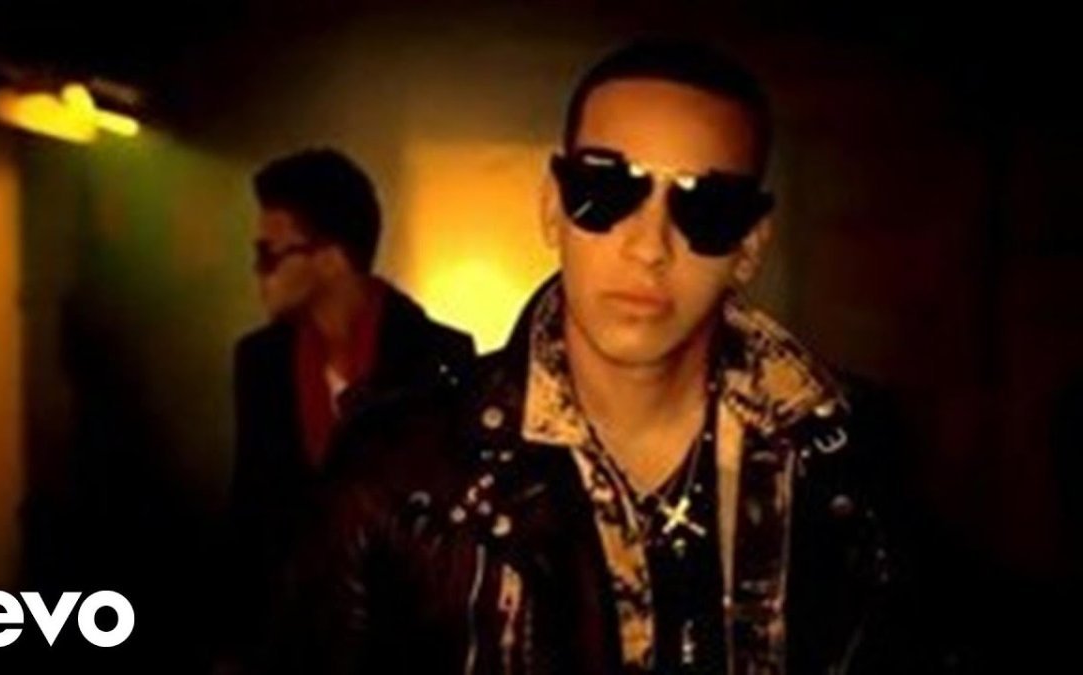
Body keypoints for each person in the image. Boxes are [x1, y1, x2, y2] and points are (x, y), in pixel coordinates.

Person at [298, 41, 919, 674]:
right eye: (606, 188)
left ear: (750, 246)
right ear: (552, 208)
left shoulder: (857, 462)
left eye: (706, 207)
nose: (649, 247)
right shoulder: (394, 477)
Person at [220, 148, 474, 671]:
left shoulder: (439, 358)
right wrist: (235, 646)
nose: (258, 272)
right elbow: (250, 510)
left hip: (401, 649)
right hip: (289, 648)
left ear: (331, 258)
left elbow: (452, 535)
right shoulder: (260, 362)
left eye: (270, 254)